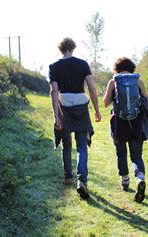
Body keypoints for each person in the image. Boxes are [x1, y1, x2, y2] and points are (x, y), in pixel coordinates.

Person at [49, 37, 101, 199]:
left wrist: (56, 115)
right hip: (81, 106)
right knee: (82, 146)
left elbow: (54, 91)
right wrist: (97, 110)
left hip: (64, 105)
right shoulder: (82, 64)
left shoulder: (54, 66)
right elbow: (92, 88)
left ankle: (68, 176)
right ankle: (82, 181)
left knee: (66, 144)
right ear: (73, 48)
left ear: (60, 49)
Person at [103, 57, 148, 203]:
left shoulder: (113, 82)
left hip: (119, 123)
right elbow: (145, 101)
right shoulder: (138, 81)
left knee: (121, 153)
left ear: (117, 68)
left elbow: (106, 103)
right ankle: (140, 178)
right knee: (136, 155)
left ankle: (125, 181)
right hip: (136, 122)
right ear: (131, 67)